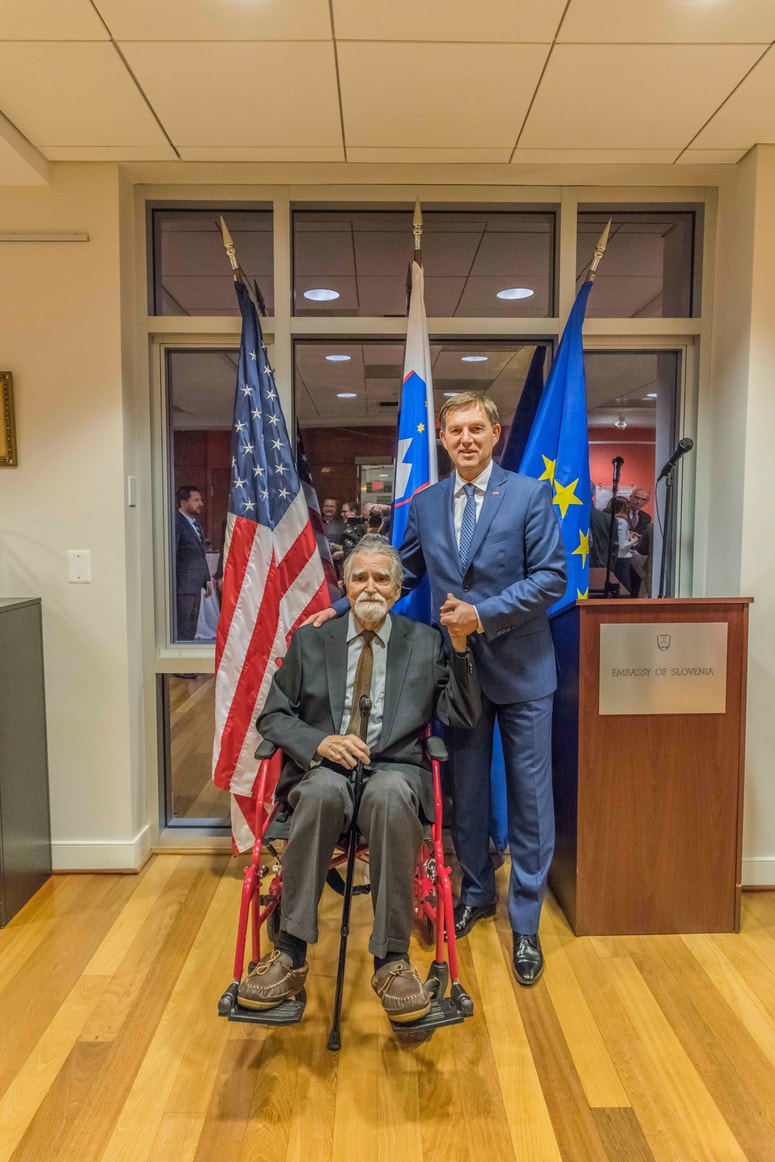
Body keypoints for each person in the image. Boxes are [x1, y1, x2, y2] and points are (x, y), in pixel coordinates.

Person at [311, 392, 567, 986]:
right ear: (444, 440)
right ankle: (475, 892)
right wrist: (340, 607)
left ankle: (525, 921)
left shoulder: (529, 496)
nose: (467, 439)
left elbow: (552, 578)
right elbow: (397, 570)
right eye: (456, 431)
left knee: (530, 799)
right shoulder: (426, 504)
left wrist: (482, 614)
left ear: (495, 433)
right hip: (460, 676)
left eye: (477, 428)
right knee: (468, 794)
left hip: (525, 673)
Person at [236, 536, 481, 1022]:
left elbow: (462, 713)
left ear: (396, 590)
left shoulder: (425, 641)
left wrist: (459, 649)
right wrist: (318, 743)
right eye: (360, 577)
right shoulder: (311, 640)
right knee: (323, 793)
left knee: (390, 795)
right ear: (345, 586)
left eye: (381, 578)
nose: (370, 586)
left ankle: (392, 962)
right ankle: (290, 954)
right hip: (324, 768)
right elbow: (273, 717)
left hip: (394, 770)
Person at [174, 485, 212, 640]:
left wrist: (207, 579)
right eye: (196, 500)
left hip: (196, 584)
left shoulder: (195, 522)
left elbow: (201, 554)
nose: (201, 503)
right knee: (183, 625)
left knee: (192, 624)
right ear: (184, 503)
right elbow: (173, 553)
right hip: (183, 584)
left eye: (200, 499)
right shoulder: (176, 523)